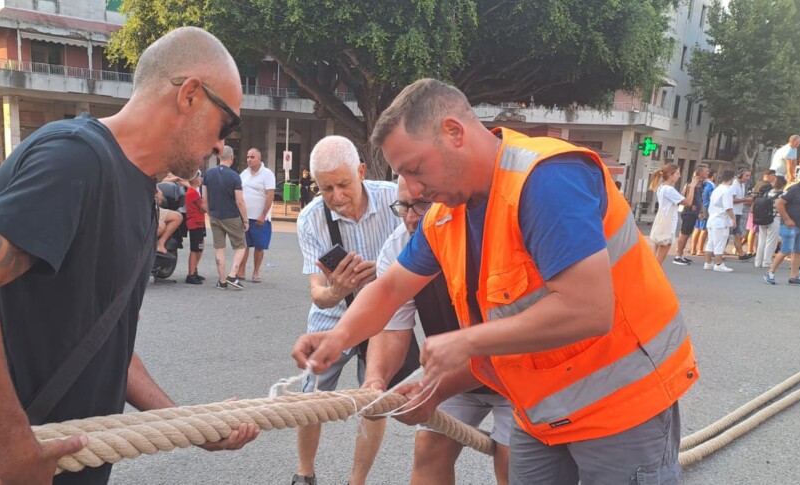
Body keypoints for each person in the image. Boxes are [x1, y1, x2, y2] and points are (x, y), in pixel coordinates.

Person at [293, 79, 697, 485]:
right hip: (538, 410)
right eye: (402, 176)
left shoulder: (546, 179)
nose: (413, 190)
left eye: (415, 169)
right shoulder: (445, 214)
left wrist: (465, 342)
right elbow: (391, 288)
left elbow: (588, 309)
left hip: (622, 409)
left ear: (454, 132)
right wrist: (338, 337)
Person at [0, 27, 258, 485]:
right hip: (1, 465)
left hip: (60, 462)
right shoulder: (77, 158)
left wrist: (186, 424)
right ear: (190, 95)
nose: (220, 145)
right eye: (226, 124)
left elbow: (104, 339)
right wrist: (14, 451)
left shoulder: (141, 195)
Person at [360, 177, 512, 485]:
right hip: (455, 373)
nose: (412, 217)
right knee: (429, 449)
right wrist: (375, 379)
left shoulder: (486, 236)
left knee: (513, 462)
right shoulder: (399, 246)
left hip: (517, 372)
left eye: (422, 204)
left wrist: (435, 389)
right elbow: (391, 328)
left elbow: (508, 347)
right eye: (404, 206)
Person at [292, 135, 403, 485]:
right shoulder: (311, 219)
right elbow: (317, 295)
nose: (337, 197)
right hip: (332, 319)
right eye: (326, 189)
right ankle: (304, 473)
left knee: (374, 399)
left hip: (383, 320)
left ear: (361, 171)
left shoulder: (395, 200)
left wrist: (386, 273)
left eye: (343, 184)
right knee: (311, 399)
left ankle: (357, 480)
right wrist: (336, 290)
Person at [203, 146, 248, 289]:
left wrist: (210, 212)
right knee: (240, 246)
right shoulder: (235, 176)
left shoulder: (208, 174)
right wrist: (245, 219)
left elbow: (204, 198)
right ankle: (232, 275)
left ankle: (222, 281)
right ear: (232, 158)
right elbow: (240, 201)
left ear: (218, 157)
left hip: (215, 215)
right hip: (232, 216)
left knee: (219, 248)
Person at [764, 169, 800, 285]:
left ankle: (794, 276)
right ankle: (770, 272)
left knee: (798, 251)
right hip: (790, 225)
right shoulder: (794, 189)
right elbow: (779, 203)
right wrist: (787, 219)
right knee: (786, 249)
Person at [238, 148, 275, 282]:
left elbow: (270, 195)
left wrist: (263, 214)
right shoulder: (244, 173)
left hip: (260, 218)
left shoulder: (267, 174)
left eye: (252, 157)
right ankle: (241, 271)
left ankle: (256, 272)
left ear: (259, 159)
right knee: (244, 245)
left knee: (259, 246)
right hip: (245, 217)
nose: (249, 159)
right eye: (248, 157)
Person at [648, 162, 696, 265]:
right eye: (677, 174)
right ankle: (655, 280)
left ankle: (653, 278)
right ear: (670, 175)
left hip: (661, 220)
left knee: (656, 258)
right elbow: (688, 202)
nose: (679, 176)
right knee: (659, 259)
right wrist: (692, 187)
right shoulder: (669, 189)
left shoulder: (662, 187)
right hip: (667, 223)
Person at [703, 170, 738, 272]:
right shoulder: (727, 191)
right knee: (720, 242)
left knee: (711, 242)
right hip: (721, 220)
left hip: (712, 218)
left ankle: (708, 262)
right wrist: (733, 219)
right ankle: (719, 263)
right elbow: (728, 208)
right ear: (731, 179)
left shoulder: (717, 189)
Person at [674, 164, 709, 264]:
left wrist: (700, 211)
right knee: (684, 235)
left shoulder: (700, 183)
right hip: (688, 212)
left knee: (687, 234)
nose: (707, 173)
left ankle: (681, 254)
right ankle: (678, 255)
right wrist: (690, 206)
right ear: (700, 172)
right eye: (706, 171)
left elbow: (699, 198)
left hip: (694, 212)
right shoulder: (692, 183)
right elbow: (684, 195)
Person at [753, 176, 786, 269]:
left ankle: (758, 261)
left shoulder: (767, 193)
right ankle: (766, 262)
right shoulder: (783, 194)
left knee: (762, 240)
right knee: (771, 241)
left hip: (763, 218)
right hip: (775, 218)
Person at [184, 171, 208, 284]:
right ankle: (191, 274)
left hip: (199, 223)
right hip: (195, 223)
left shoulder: (193, 192)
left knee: (199, 247)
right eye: (200, 177)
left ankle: (194, 270)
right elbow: (203, 207)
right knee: (195, 249)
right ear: (196, 180)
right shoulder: (193, 193)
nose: (201, 179)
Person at [155, 186, 184, 254]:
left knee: (177, 217)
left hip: (152, 207)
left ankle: (160, 243)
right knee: (161, 226)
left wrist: (157, 190)